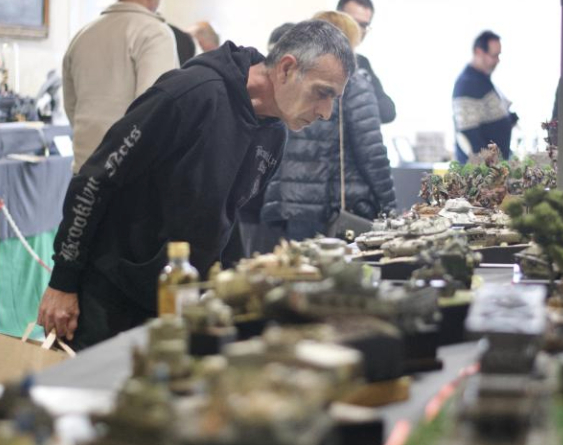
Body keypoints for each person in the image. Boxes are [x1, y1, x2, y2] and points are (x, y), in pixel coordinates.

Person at [37, 21, 355, 349]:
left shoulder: (274, 134)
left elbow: (226, 218)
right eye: (323, 93)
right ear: (287, 68)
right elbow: (95, 180)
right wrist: (63, 281)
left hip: (181, 302)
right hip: (111, 293)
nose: (327, 113)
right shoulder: (190, 94)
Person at [259, 11, 396, 250]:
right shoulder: (353, 83)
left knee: (299, 277)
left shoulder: (292, 81)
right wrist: (390, 206)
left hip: (289, 202)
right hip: (333, 208)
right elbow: (372, 153)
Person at [62, 0, 179, 172]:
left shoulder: (82, 35)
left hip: (84, 172)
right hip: (130, 177)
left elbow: (71, 106)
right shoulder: (155, 33)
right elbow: (155, 115)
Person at [452, 30, 516, 163]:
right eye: (494, 55)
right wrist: (490, 170)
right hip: (482, 173)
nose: (497, 60)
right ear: (478, 52)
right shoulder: (467, 84)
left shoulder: (482, 80)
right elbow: (469, 135)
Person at [336, 0, 396, 123]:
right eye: (351, 22)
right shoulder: (312, 57)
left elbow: (387, 112)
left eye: (363, 25)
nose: (357, 30)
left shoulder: (361, 63)